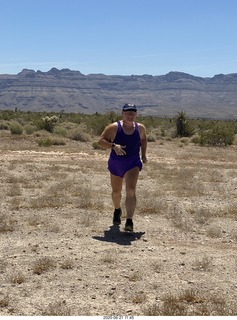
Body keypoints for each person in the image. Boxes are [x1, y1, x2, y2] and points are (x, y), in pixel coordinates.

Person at [98, 103, 147, 232]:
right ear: (122, 113)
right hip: (116, 163)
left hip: (133, 163)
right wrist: (114, 146)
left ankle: (129, 221)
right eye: (127, 113)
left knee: (131, 190)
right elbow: (100, 142)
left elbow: (144, 140)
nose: (130, 115)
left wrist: (144, 155)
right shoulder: (113, 128)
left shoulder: (140, 128)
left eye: (133, 113)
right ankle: (117, 210)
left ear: (136, 114)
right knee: (116, 192)